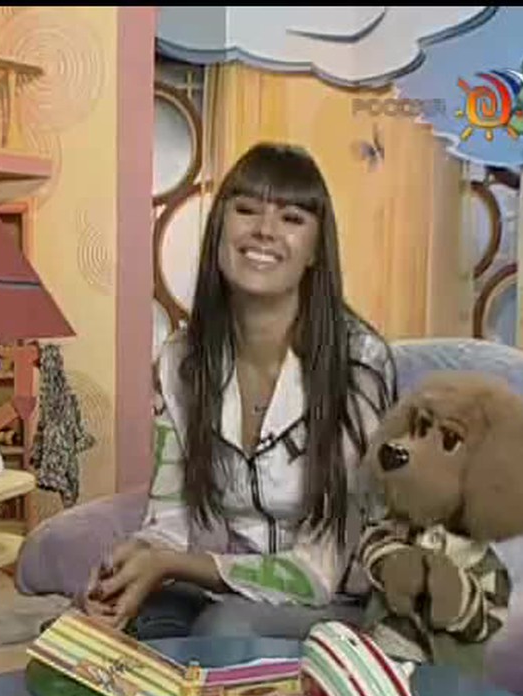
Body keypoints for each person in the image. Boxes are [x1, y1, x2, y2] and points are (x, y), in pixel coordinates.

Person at [84, 142, 397, 640]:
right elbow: (169, 521)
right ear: (219, 229)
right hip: (221, 589)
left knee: (225, 629)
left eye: (292, 218)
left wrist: (175, 565)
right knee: (97, 629)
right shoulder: (182, 360)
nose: (264, 230)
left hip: (337, 603)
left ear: (316, 250)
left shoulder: (359, 364)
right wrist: (135, 561)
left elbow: (319, 572)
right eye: (246, 209)